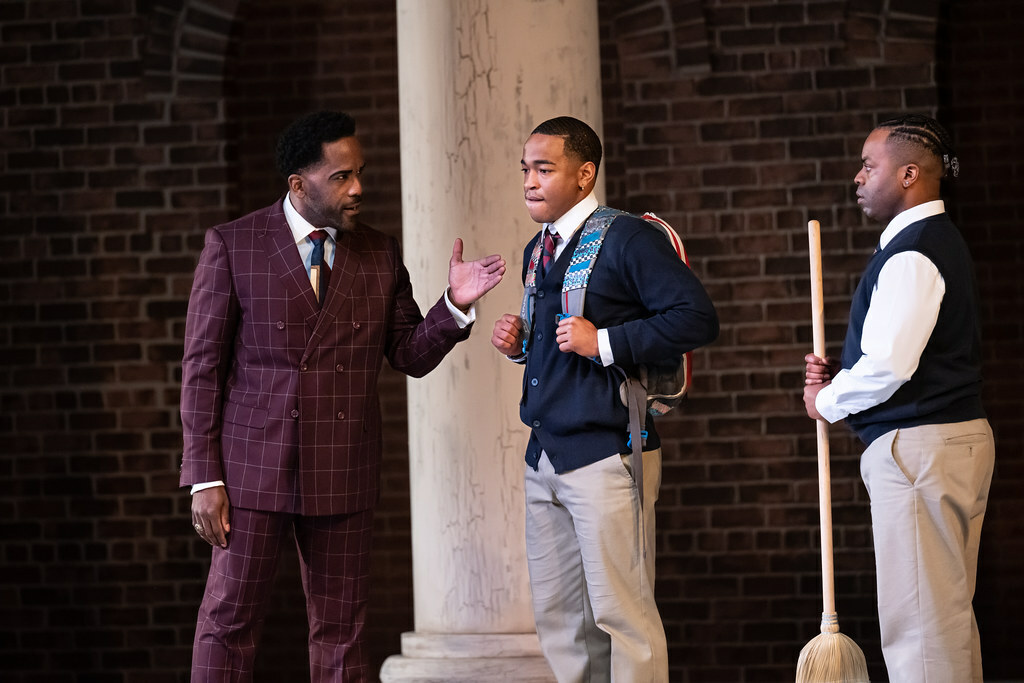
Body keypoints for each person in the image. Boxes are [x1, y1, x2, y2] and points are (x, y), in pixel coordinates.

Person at [180, 110, 505, 682]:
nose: (358, 187)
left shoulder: (378, 253)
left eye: (360, 173)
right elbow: (202, 369)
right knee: (228, 623)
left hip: (343, 469)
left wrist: (453, 305)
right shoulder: (233, 245)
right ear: (298, 185)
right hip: (251, 471)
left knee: (342, 634)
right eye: (341, 176)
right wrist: (204, 476)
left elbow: (408, 353)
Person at [491, 116, 718, 682]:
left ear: (584, 174)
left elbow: (696, 318)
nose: (530, 181)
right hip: (543, 457)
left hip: (608, 455)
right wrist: (521, 344)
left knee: (625, 616)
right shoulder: (538, 248)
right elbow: (561, 345)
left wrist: (606, 341)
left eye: (545, 169)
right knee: (561, 620)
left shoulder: (626, 237)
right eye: (526, 169)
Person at [803, 114, 994, 683]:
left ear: (909, 174)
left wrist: (829, 399)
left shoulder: (914, 251)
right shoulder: (933, 243)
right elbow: (902, 357)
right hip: (943, 443)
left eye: (869, 165)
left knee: (921, 632)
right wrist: (844, 376)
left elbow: (890, 364)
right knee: (943, 619)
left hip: (920, 450)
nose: (858, 177)